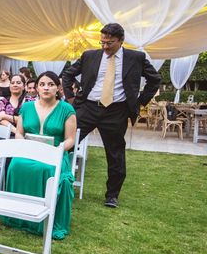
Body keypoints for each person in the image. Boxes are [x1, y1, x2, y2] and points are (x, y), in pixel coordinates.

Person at [62, 22, 161, 208]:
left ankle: (112, 195)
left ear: (121, 41)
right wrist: (71, 99)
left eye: (110, 43)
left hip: (116, 111)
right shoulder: (89, 55)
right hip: (88, 108)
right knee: (66, 141)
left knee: (115, 154)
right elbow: (68, 75)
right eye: (102, 42)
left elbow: (155, 79)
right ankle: (59, 181)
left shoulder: (136, 57)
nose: (105, 47)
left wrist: (139, 102)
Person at [0, 71, 77, 240]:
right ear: (37, 88)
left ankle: (44, 218)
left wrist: (61, 149)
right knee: (16, 164)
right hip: (29, 152)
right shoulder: (27, 107)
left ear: (58, 88)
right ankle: (19, 215)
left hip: (54, 154)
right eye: (42, 84)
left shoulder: (66, 109)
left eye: (50, 84)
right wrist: (24, 143)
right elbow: (19, 132)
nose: (46, 88)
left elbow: (70, 139)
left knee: (47, 169)